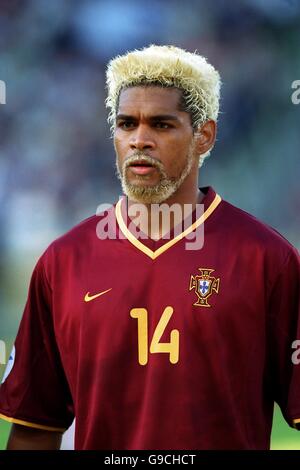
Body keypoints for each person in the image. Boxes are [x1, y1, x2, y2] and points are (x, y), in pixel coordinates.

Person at [0, 44, 299, 450]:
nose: (140, 140)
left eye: (161, 124)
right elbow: (35, 427)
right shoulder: (63, 262)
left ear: (204, 136)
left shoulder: (268, 259)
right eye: (126, 124)